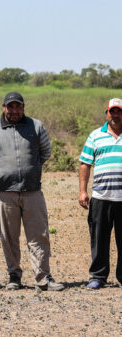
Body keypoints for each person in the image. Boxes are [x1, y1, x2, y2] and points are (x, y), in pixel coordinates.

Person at [0, 91, 64, 291]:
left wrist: (28, 168)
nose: (14, 110)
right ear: (3, 107)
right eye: (10, 106)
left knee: (39, 235)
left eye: (18, 106)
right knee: (8, 237)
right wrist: (0, 170)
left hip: (32, 191)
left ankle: (43, 277)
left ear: (23, 107)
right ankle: (14, 275)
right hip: (4, 193)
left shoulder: (36, 126)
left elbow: (45, 153)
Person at [79, 98, 122, 290]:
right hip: (101, 197)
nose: (115, 115)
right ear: (107, 113)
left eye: (119, 111)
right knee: (99, 239)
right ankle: (98, 276)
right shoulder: (95, 136)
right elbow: (85, 164)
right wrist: (82, 191)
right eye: (112, 111)